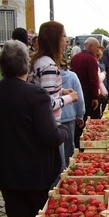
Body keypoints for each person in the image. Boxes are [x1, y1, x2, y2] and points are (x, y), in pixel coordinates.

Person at [0, 40, 69, 217]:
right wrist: (63, 130)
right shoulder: (35, 94)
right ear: (26, 63)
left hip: (7, 175)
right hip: (36, 174)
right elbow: (50, 137)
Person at [29, 21, 78, 171]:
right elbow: (47, 103)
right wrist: (70, 98)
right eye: (63, 36)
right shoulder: (48, 66)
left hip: (41, 123)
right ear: (55, 39)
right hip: (49, 125)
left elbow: (42, 92)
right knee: (57, 170)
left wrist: (61, 91)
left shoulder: (39, 61)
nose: (66, 40)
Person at [70, 37, 100, 149]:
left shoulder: (75, 58)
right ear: (90, 46)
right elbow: (93, 79)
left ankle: (76, 142)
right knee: (87, 119)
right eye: (97, 47)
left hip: (74, 93)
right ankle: (85, 144)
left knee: (78, 118)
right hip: (87, 93)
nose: (98, 49)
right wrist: (95, 97)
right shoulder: (91, 59)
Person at [60, 58, 85, 166]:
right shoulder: (72, 76)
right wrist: (80, 115)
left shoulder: (46, 77)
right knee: (69, 148)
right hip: (69, 116)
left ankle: (59, 174)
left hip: (52, 117)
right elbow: (79, 97)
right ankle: (68, 170)